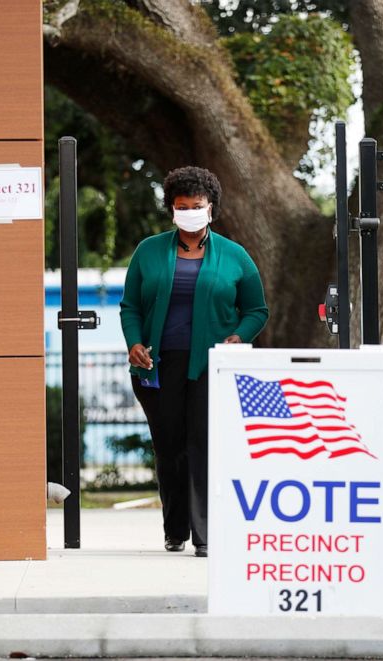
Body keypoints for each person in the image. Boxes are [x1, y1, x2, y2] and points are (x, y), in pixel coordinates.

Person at [120, 166, 269, 558]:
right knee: (169, 447)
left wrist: (239, 336)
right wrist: (134, 342)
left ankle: (206, 535)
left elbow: (256, 309)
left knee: (203, 444)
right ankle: (175, 530)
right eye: (181, 206)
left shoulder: (236, 256)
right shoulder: (148, 251)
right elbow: (130, 306)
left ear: (211, 209)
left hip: (211, 366)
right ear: (171, 208)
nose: (189, 211)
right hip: (158, 367)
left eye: (196, 205)